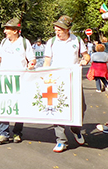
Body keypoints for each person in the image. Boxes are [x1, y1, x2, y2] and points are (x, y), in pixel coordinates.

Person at [43, 15, 90, 153]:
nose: (57, 32)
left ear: (68, 29)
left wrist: (85, 60)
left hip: (73, 79)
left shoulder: (77, 40)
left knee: (80, 107)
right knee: (57, 108)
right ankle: (61, 140)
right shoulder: (51, 42)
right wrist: (45, 75)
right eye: (56, 29)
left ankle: (76, 129)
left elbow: (86, 55)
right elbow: (47, 61)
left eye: (60, 30)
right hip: (57, 80)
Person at [0, 18, 36, 144]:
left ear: (15, 31)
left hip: (20, 81)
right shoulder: (4, 42)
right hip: (5, 80)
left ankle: (17, 132)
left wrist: (31, 64)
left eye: (7, 29)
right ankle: (3, 133)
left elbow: (32, 59)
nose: (5, 31)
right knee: (4, 105)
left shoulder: (24, 43)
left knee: (18, 106)